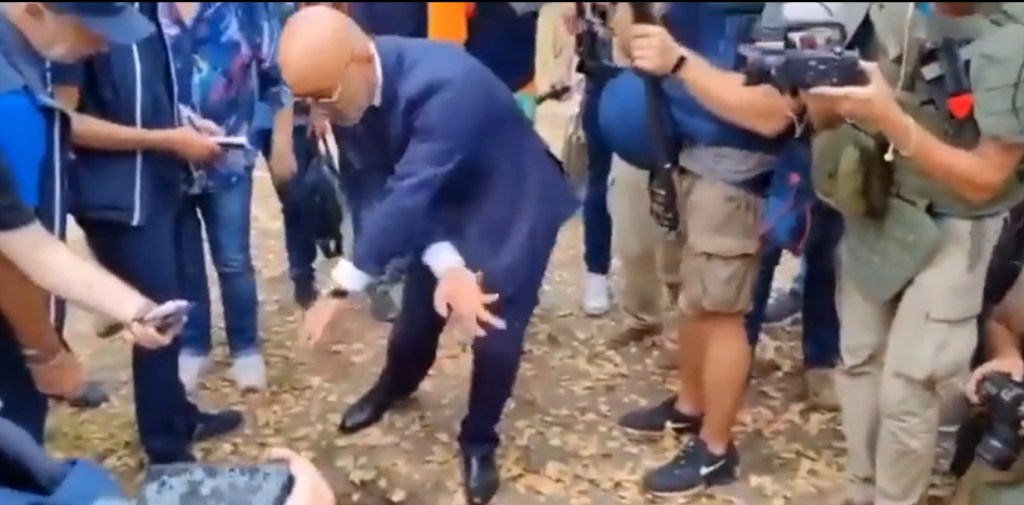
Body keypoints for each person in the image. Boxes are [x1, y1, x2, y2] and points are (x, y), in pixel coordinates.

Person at [276, 7, 578, 504]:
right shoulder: (345, 96)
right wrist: (448, 265)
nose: (318, 112)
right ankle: (395, 384)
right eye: (306, 102)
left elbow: (408, 195)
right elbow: (383, 185)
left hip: (510, 201)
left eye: (322, 98)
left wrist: (341, 288)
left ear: (359, 57)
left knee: (493, 331)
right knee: (417, 317)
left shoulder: (446, 83)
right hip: (437, 199)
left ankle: (479, 440)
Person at [804, 2, 1024, 504]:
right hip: (879, 201)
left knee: (910, 387)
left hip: (957, 223)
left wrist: (892, 120)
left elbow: (985, 179)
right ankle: (862, 490)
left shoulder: (1012, 37)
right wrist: (822, 95)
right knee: (859, 361)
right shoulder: (894, 12)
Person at [50, 2, 244, 462]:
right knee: (154, 318)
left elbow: (148, 98)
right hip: (119, 202)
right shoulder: (84, 16)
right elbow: (63, 122)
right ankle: (166, 451)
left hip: (160, 187)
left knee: (171, 309)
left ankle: (177, 416)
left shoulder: (148, 12)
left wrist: (184, 126)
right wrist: (165, 141)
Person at [162, 2, 294, 393]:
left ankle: (245, 347)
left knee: (233, 258)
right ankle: (194, 345)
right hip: (169, 158)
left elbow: (278, 79)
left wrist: (282, 142)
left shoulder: (245, 9)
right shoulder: (148, 11)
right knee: (184, 260)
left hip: (230, 158)